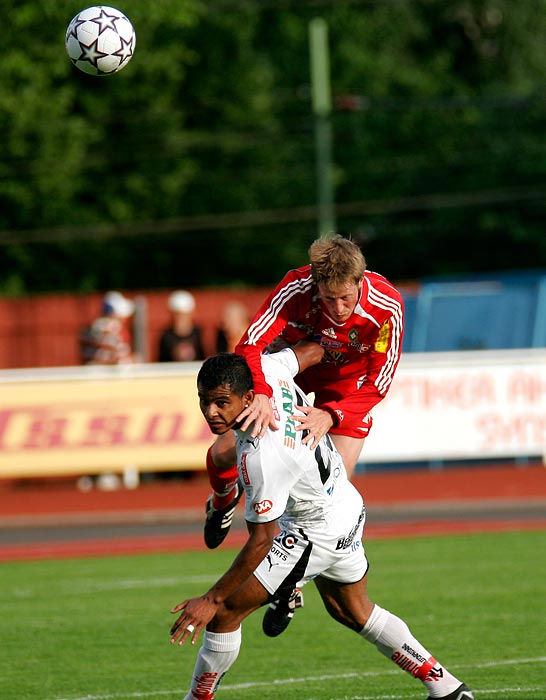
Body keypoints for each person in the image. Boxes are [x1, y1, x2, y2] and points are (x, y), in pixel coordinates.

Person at [169, 350, 473, 700]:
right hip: (345, 505)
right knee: (353, 611)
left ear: (250, 398)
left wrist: (211, 598)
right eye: (204, 402)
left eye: (222, 402)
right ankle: (447, 687)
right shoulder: (270, 367)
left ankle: (198, 697)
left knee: (224, 612)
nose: (211, 412)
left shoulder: (262, 458)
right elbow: (313, 349)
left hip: (310, 534)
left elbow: (261, 541)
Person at [204, 234, 404, 547]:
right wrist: (261, 393)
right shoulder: (297, 285)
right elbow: (250, 343)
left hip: (344, 386)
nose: (337, 308)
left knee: (326, 496)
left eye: (346, 298)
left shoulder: (386, 306)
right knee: (221, 454)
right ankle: (222, 498)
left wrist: (331, 414)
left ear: (360, 281)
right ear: (315, 284)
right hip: (296, 369)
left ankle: (290, 579)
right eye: (328, 299)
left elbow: (379, 379)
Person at [80, 290, 136, 365]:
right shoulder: (114, 329)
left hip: (91, 374)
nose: (124, 319)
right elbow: (122, 362)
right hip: (109, 375)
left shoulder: (88, 330)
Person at [158, 290, 205, 362]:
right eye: (177, 314)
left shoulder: (199, 334)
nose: (180, 318)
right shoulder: (166, 336)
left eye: (183, 314)